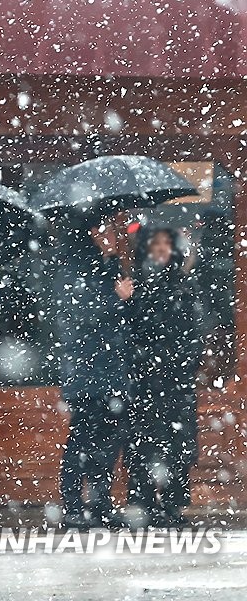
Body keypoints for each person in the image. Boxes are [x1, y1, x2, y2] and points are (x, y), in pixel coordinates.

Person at [52, 215, 135, 529]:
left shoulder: (107, 264)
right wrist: (117, 297)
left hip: (110, 370)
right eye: (104, 230)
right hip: (86, 371)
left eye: (113, 231)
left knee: (107, 443)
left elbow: (118, 321)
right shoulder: (75, 265)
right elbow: (80, 312)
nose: (110, 236)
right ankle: (73, 506)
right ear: (89, 232)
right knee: (82, 440)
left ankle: (100, 503)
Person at [126, 226, 202, 528]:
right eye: (156, 244)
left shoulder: (182, 284)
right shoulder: (138, 284)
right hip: (145, 379)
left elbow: (193, 331)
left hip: (175, 379)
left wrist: (184, 362)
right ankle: (144, 502)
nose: (161, 250)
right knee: (145, 442)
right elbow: (132, 329)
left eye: (166, 244)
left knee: (175, 442)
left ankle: (171, 503)